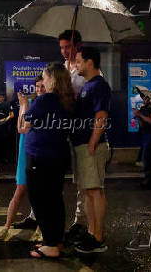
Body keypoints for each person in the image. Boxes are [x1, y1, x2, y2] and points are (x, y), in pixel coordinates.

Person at [24, 62, 75, 258]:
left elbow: (26, 121)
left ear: (52, 79)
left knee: (40, 200)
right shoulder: (67, 100)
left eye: (45, 77)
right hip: (58, 155)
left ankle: (51, 244)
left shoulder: (46, 99)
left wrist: (24, 106)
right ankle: (56, 241)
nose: (43, 81)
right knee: (54, 199)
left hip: (40, 155)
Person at [0, 75, 45, 240]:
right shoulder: (30, 103)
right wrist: (24, 105)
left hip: (39, 152)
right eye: (37, 86)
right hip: (25, 152)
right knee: (19, 191)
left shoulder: (46, 105)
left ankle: (41, 228)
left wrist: (24, 106)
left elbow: (25, 128)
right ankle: (6, 226)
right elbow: (20, 128)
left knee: (39, 193)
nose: (39, 90)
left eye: (43, 86)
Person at [72, 47, 111, 253]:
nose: (76, 64)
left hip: (91, 146)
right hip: (83, 145)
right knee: (89, 191)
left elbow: (101, 116)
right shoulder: (88, 86)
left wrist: (92, 142)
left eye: (78, 61)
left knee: (95, 190)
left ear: (89, 62)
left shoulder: (99, 86)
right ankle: (91, 231)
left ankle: (97, 237)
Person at [59, 29, 89, 244]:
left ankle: (81, 222)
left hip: (81, 131)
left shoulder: (85, 69)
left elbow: (91, 100)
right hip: (61, 130)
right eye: (61, 48)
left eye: (68, 47)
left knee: (82, 180)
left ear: (78, 46)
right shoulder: (63, 69)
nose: (65, 51)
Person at [133, 94, 151, 189]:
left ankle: (150, 180)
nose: (144, 100)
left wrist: (140, 115)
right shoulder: (143, 108)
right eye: (143, 98)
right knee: (145, 158)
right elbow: (142, 124)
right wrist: (138, 117)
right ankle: (148, 179)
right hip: (144, 134)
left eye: (146, 98)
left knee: (148, 158)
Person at [0, 92, 14, 164]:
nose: (0, 99)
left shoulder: (7, 104)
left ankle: (6, 159)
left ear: (4, 98)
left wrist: (4, 120)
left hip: (5, 128)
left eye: (1, 97)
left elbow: (12, 115)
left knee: (5, 144)